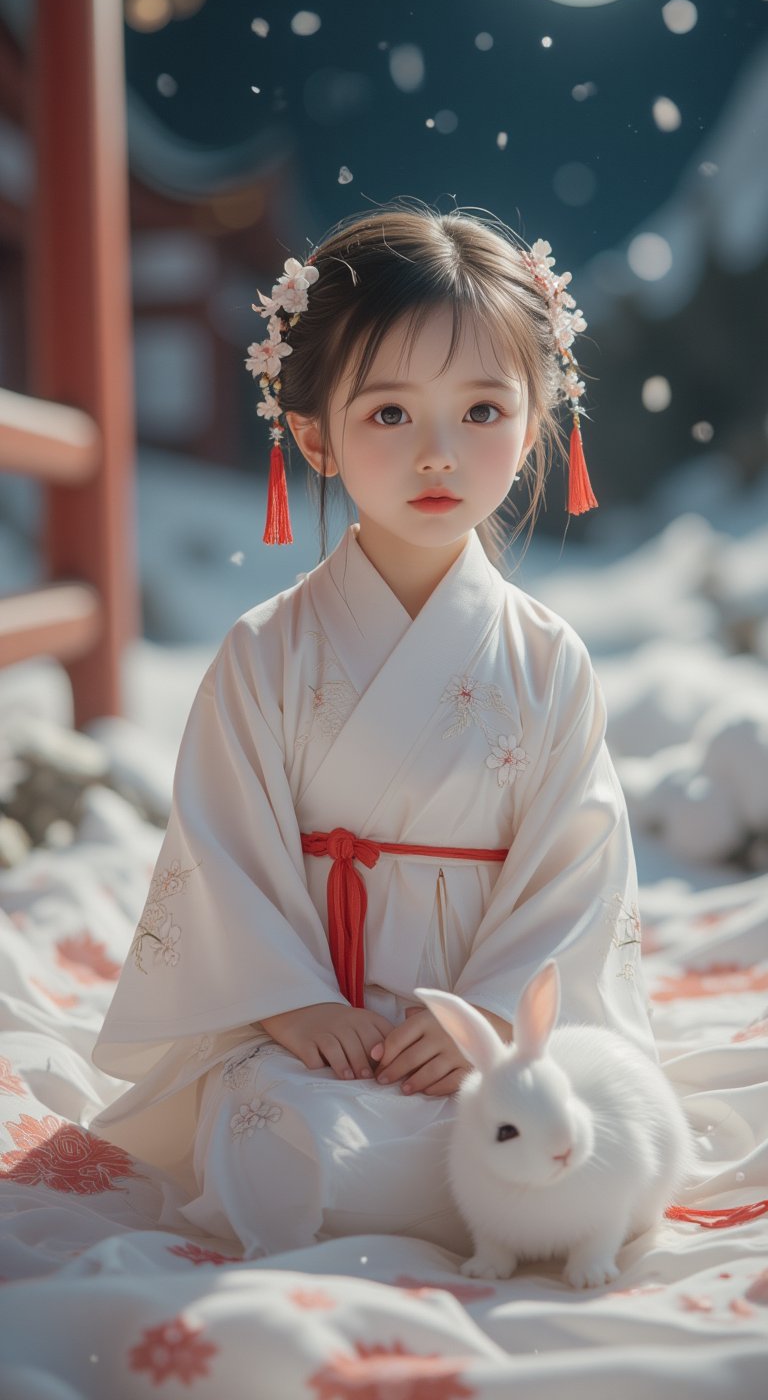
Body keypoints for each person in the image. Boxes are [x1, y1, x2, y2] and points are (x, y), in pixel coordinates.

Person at [91, 203, 656, 1259]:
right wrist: (295, 1009)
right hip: (312, 1028)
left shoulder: (548, 662)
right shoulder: (264, 654)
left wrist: (481, 1017)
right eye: (391, 414)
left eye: (483, 410)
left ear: (535, 423)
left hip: (477, 1040)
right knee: (279, 1133)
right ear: (313, 433)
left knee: (529, 1131)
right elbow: (221, 854)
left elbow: (576, 875)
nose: (440, 453)